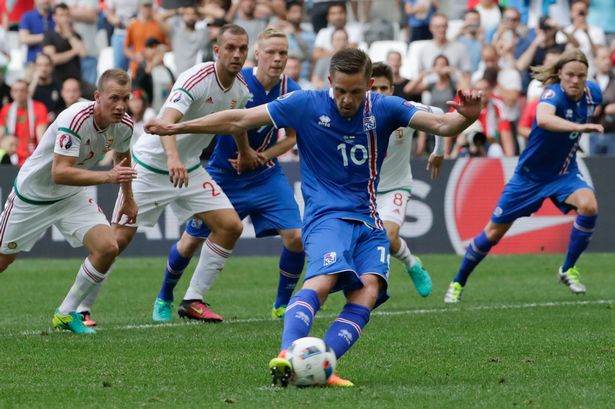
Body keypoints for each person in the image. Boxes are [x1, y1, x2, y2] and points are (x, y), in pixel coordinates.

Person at [145, 48, 482, 386]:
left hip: (368, 218)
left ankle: (324, 364)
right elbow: (239, 120)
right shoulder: (304, 103)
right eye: (340, 91)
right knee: (322, 282)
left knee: (369, 289)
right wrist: (177, 127)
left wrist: (468, 116)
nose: (347, 100)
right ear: (329, 81)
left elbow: (442, 123)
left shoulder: (384, 107)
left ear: (368, 84)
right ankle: (286, 354)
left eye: (355, 91)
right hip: (327, 217)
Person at [74, 24, 258, 325]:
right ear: (217, 50)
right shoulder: (196, 78)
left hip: (190, 169)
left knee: (230, 226)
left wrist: (246, 150)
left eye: (242, 49)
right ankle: (80, 308)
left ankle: (193, 299)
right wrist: (173, 158)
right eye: (230, 48)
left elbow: (235, 123)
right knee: (116, 241)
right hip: (150, 166)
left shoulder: (241, 89)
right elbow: (166, 122)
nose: (237, 54)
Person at [152, 28, 304, 322]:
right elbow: (234, 123)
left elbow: (291, 138)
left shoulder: (292, 90)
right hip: (223, 174)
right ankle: (165, 296)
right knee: (190, 242)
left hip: (265, 176)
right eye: (270, 52)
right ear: (257, 55)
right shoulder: (239, 82)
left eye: (282, 53)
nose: (277, 59)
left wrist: (263, 156)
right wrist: (245, 152)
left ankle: (282, 305)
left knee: (296, 237)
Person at [444, 49, 604, 304]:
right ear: (560, 74)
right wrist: (578, 127)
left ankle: (567, 269)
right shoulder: (552, 95)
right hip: (529, 178)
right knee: (493, 233)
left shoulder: (593, 93)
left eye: (581, 76)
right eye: (570, 75)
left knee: (589, 205)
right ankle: (458, 281)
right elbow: (543, 119)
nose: (575, 80)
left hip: (564, 173)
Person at [0, 69, 137, 334]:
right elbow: (59, 172)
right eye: (114, 98)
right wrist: (107, 177)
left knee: (108, 247)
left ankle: (65, 313)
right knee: (3, 261)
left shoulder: (125, 125)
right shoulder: (74, 118)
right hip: (33, 197)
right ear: (97, 96)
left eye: (125, 98)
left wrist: (128, 198)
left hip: (71, 196)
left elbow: (123, 159)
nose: (120, 106)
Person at [370, 62, 444, 297]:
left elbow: (439, 114)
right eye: (374, 88)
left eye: (384, 88)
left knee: (387, 236)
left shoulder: (405, 109)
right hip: (364, 191)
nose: (379, 94)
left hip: (396, 187)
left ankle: (379, 287)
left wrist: (438, 151)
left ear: (392, 89)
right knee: (371, 241)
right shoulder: (355, 114)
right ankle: (411, 262)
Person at [0, 80, 48, 166]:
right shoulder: (6, 109)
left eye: (22, 90)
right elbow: (1, 135)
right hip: (12, 157)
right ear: (11, 93)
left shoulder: (39, 108)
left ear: (28, 92)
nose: (19, 93)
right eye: (15, 90)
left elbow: (41, 137)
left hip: (31, 156)